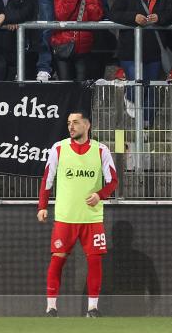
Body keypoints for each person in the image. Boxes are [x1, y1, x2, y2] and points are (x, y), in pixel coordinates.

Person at [37, 111, 118, 317]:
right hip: (65, 218)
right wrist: (42, 206)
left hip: (92, 219)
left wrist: (100, 195)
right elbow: (48, 179)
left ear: (87, 125)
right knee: (58, 260)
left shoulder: (101, 150)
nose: (71, 126)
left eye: (75, 122)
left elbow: (113, 182)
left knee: (94, 262)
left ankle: (92, 308)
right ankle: (51, 308)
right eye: (68, 123)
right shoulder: (59, 148)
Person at [110, 0, 172, 126]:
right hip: (130, 51)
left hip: (154, 51)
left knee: (150, 86)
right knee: (135, 83)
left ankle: (146, 124)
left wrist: (160, 17)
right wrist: (133, 17)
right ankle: (129, 97)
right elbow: (114, 13)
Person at [51, 0, 104, 81]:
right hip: (64, 45)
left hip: (84, 48)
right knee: (65, 84)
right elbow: (61, 16)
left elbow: (96, 16)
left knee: (82, 85)